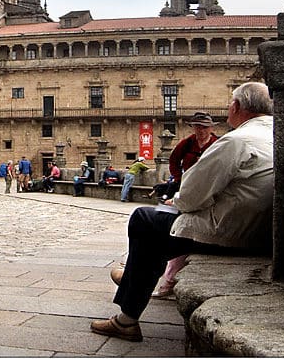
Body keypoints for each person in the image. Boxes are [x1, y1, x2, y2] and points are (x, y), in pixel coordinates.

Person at [90, 81, 274, 343]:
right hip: (261, 234)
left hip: (232, 236)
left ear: (236, 107)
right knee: (156, 229)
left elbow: (189, 197)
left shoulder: (236, 142)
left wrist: (175, 199)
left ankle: (127, 316)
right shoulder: (277, 135)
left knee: (145, 219)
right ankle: (132, 283)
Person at [153, 111, 222, 294]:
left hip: (206, 192)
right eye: (197, 127)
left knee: (181, 230)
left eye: (204, 127)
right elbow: (174, 159)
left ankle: (167, 278)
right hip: (185, 188)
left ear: (211, 128)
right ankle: (157, 270)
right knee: (164, 219)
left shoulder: (218, 144)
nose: (200, 130)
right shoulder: (188, 143)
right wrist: (177, 177)